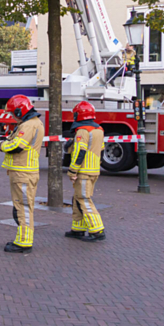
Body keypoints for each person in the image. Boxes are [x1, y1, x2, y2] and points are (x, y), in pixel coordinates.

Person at [0, 95, 44, 254]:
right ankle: (23, 239)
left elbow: (17, 146)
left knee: (22, 208)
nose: (13, 117)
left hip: (22, 172)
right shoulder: (33, 123)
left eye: (13, 114)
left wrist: (1, 145)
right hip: (26, 171)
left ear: (20, 110)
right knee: (24, 207)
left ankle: (24, 242)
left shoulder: (29, 125)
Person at [65, 101, 106, 242]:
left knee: (83, 199)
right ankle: (78, 229)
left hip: (83, 171)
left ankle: (97, 230)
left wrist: (72, 170)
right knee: (77, 198)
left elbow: (79, 152)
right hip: (94, 170)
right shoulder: (99, 130)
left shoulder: (82, 131)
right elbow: (101, 149)